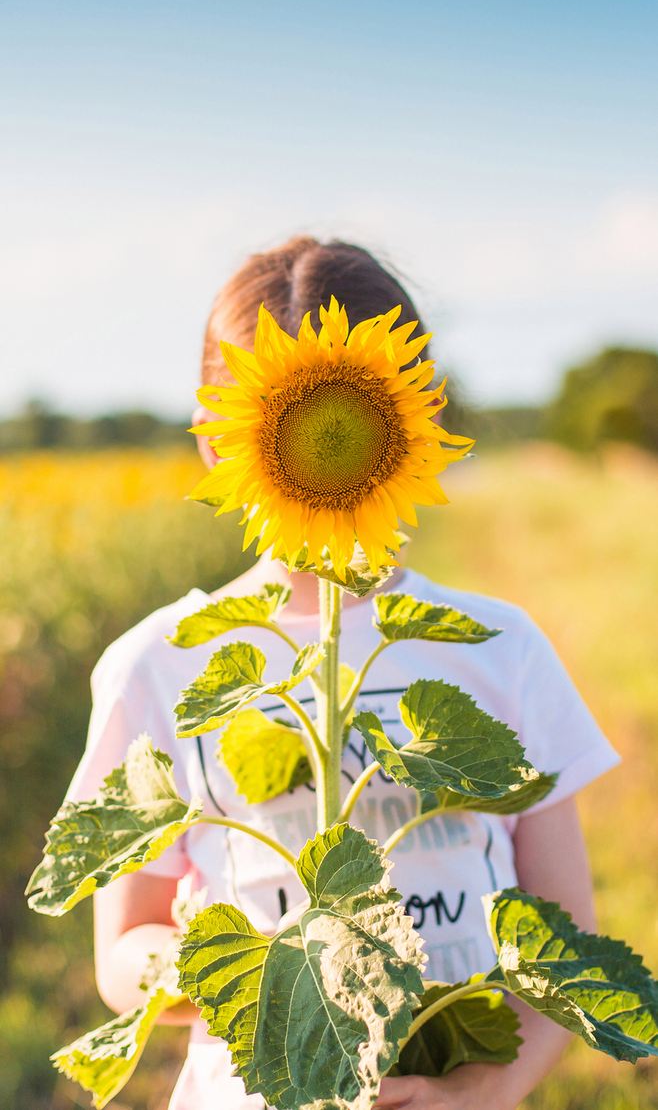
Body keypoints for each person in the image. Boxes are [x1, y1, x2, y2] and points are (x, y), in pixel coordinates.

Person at [65, 236, 620, 1110]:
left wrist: (480, 1092)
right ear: (219, 441)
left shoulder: (499, 646)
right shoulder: (160, 663)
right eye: (285, 417)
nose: (332, 442)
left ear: (419, 419)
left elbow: (568, 947)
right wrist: (234, 966)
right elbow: (120, 953)